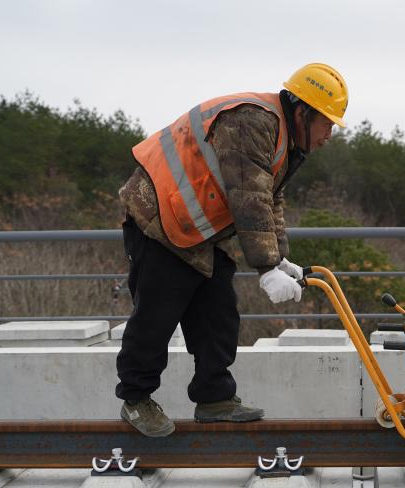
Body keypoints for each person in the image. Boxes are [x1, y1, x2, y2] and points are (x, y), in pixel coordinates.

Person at [115, 63, 348, 437]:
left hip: (198, 226)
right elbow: (249, 197)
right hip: (159, 216)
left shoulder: (284, 138)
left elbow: (269, 199)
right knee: (156, 316)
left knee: (218, 314)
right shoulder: (253, 121)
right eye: (327, 124)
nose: (329, 136)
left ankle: (214, 398)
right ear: (303, 112)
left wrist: (279, 258)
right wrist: (266, 267)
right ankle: (136, 399)